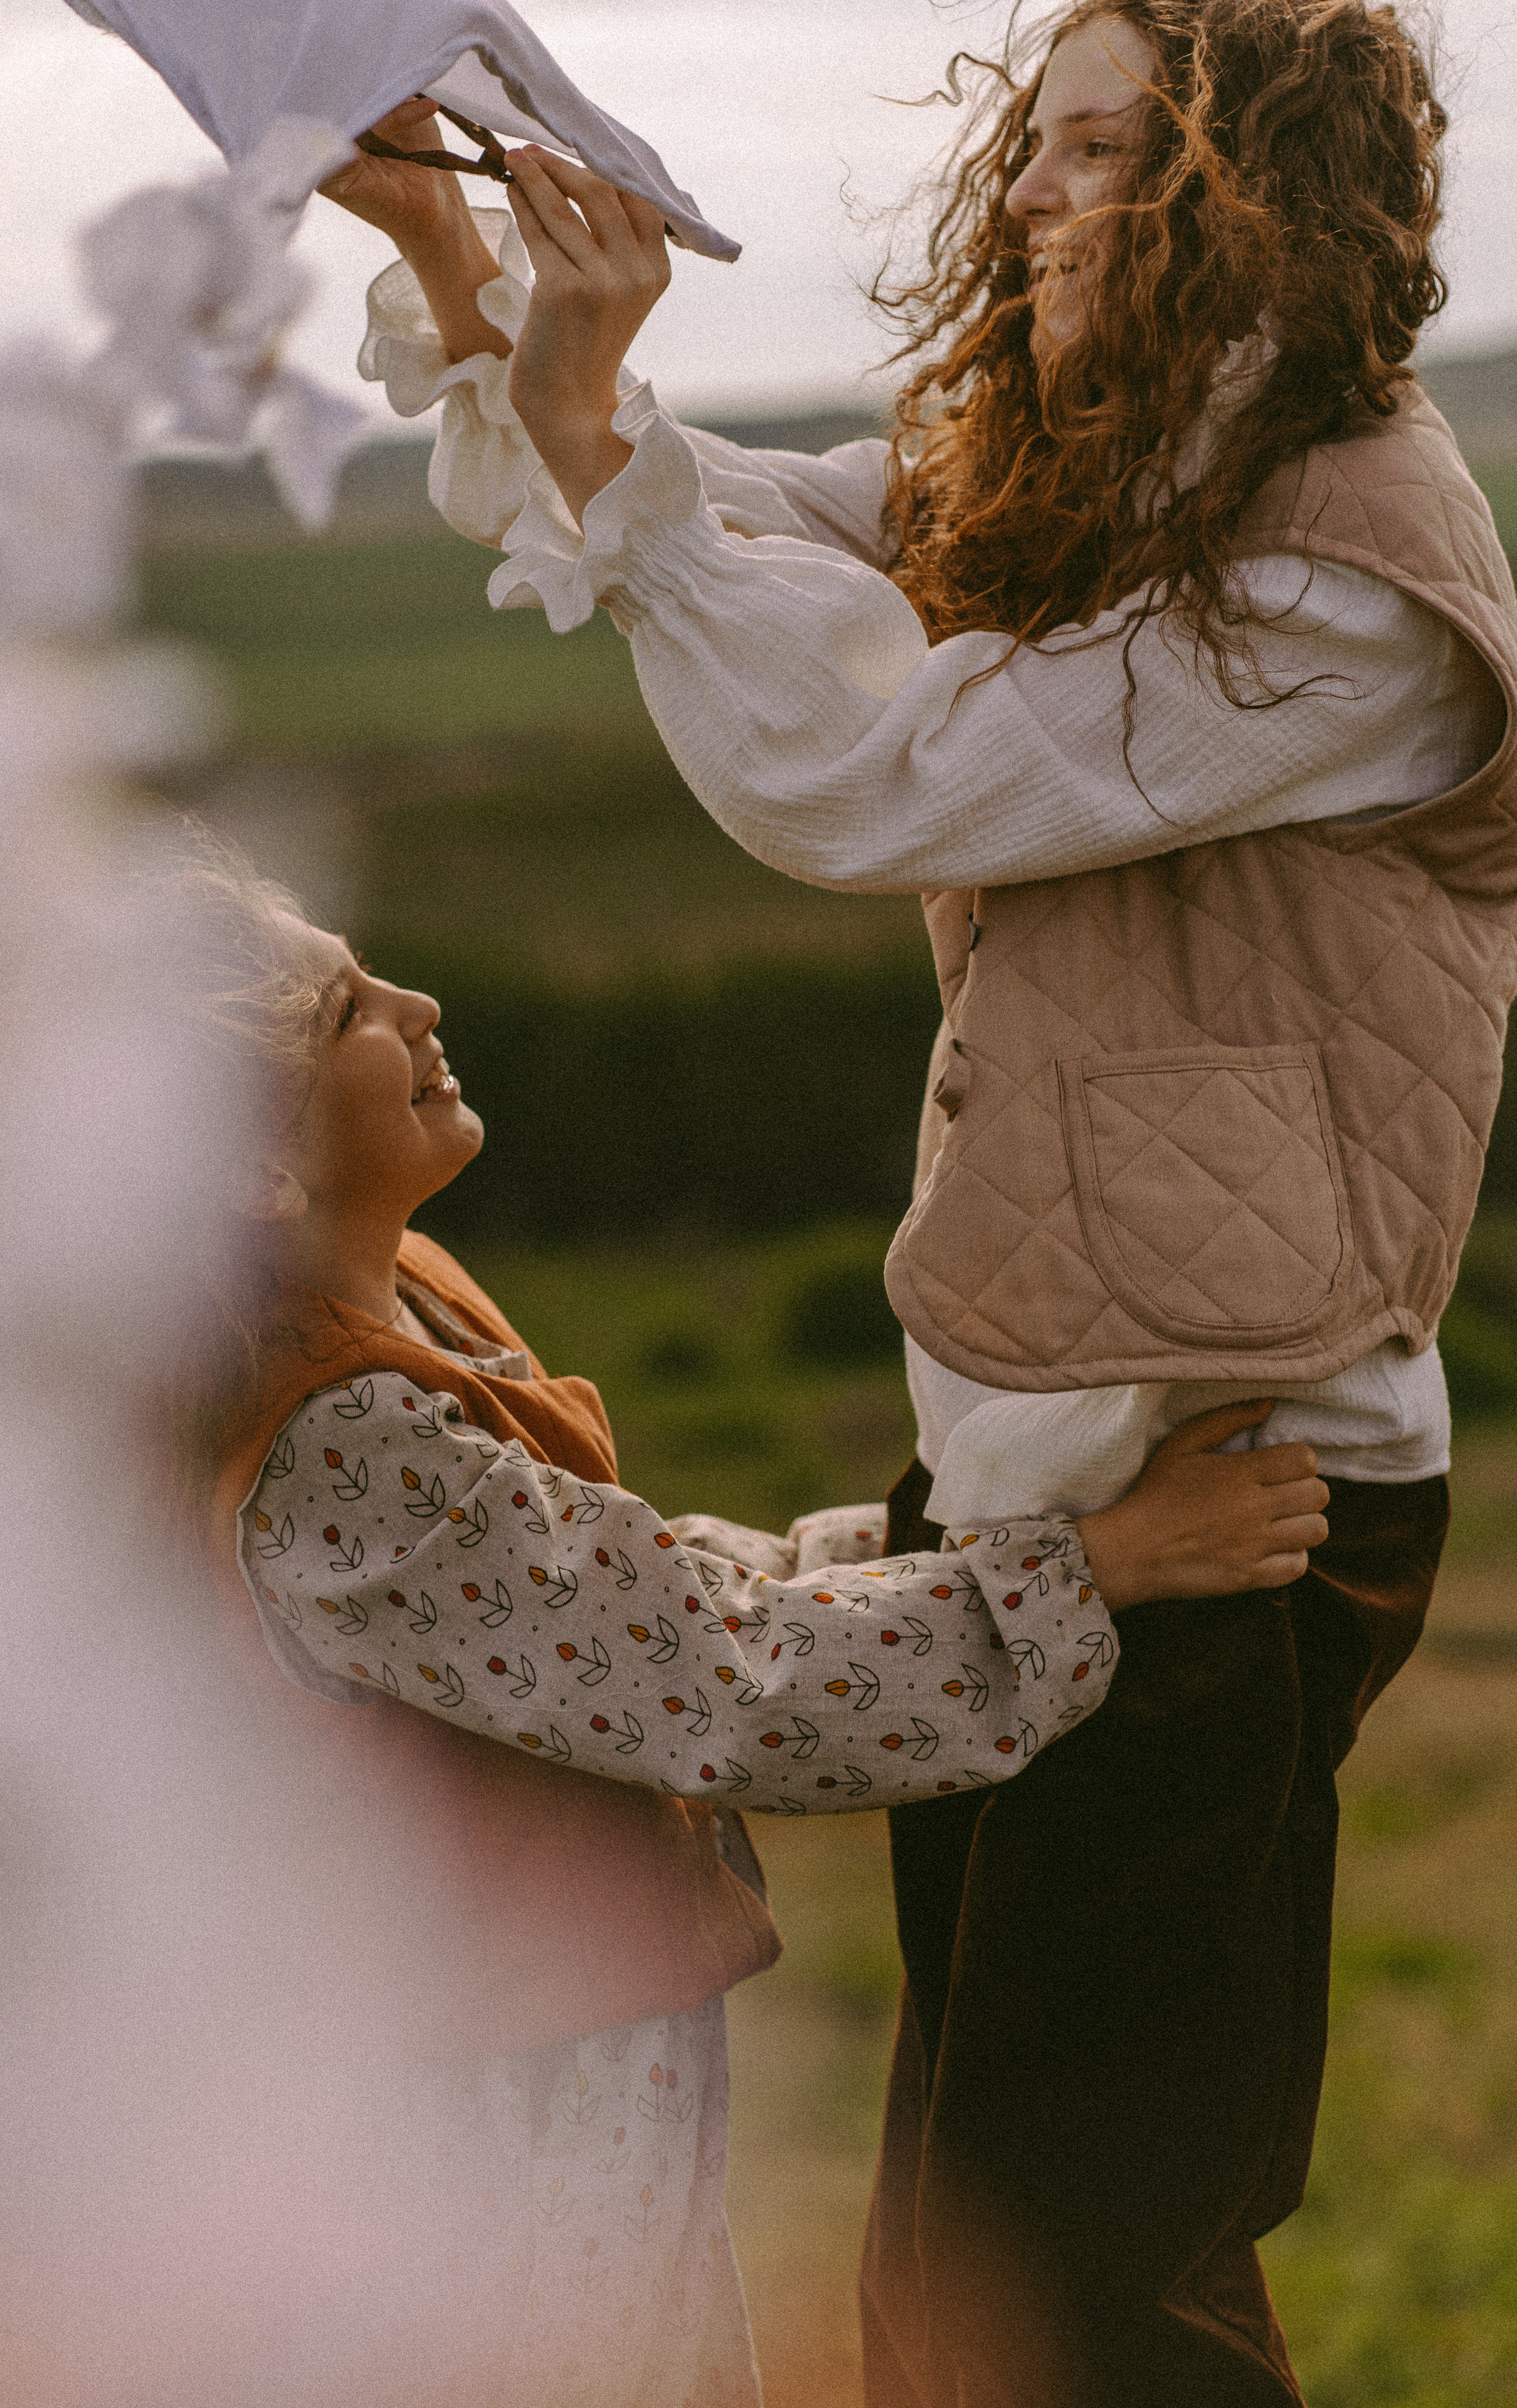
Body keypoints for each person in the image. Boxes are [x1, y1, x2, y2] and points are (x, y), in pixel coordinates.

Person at [320, 0, 1517, 2398]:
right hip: (1044, 1481)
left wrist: (586, 423)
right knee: (975, 2279)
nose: (1046, 195)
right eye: (1045, 146)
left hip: (1229, 1512)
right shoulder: (1117, 472)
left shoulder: (1357, 585)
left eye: (1110, 154)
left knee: (1087, 2295)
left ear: (1259, 194)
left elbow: (871, 772)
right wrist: (468, 267)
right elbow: (737, 511)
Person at [152, 828, 1329, 2407]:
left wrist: (937, 1537)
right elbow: (712, 1678)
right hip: (479, 2088)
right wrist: (1092, 1567)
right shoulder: (336, 1448)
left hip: (562, 2035)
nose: (418, 1002)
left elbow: (624, 1585)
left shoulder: (410, 1306)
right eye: (343, 1013)